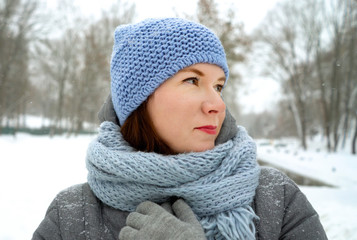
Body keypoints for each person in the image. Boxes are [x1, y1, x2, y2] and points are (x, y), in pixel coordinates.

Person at [32, 18, 327, 240]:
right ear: (139, 100)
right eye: (192, 80)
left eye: (219, 86)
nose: (217, 104)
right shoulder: (72, 214)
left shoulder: (275, 198)